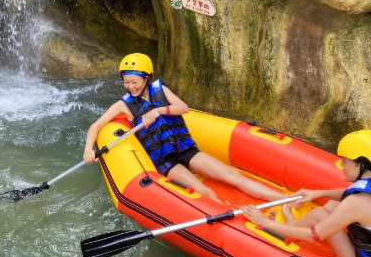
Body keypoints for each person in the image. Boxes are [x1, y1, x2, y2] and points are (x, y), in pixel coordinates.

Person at [83, 53, 286, 204]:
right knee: (203, 191)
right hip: (165, 162)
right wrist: (88, 150)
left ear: (146, 78)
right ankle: (233, 218)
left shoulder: (160, 90)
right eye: (126, 82)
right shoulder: (124, 105)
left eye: (134, 81)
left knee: (233, 176)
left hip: (186, 150)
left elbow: (183, 108)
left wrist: (159, 111)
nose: (130, 86)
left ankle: (286, 199)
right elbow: (96, 126)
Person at [241, 129, 371, 257]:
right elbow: (355, 195)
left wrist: (265, 222)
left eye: (345, 160)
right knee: (340, 200)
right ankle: (292, 225)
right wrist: (318, 193)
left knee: (319, 214)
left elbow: (314, 236)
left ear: (360, 164)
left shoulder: (358, 202)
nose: (341, 165)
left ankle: (283, 231)